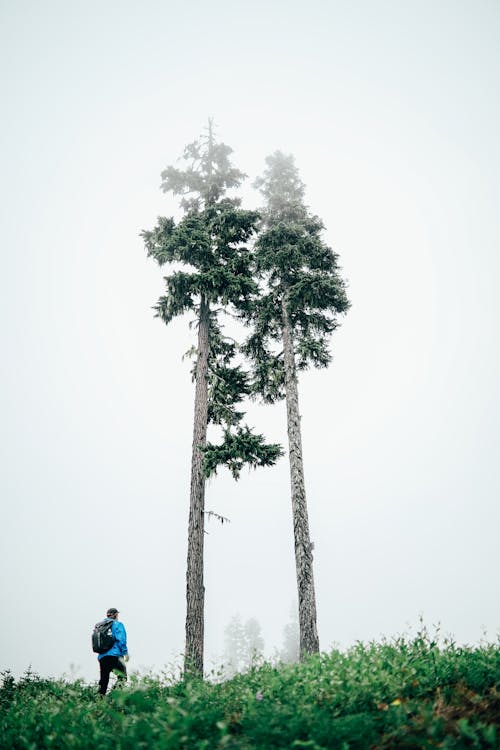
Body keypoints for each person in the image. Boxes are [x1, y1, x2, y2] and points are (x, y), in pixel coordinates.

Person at [97, 607, 129, 695]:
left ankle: (99, 699)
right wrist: (125, 652)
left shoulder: (99, 626)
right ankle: (113, 696)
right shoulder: (118, 624)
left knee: (104, 680)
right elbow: (121, 640)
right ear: (115, 615)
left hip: (102, 657)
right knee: (123, 677)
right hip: (115, 655)